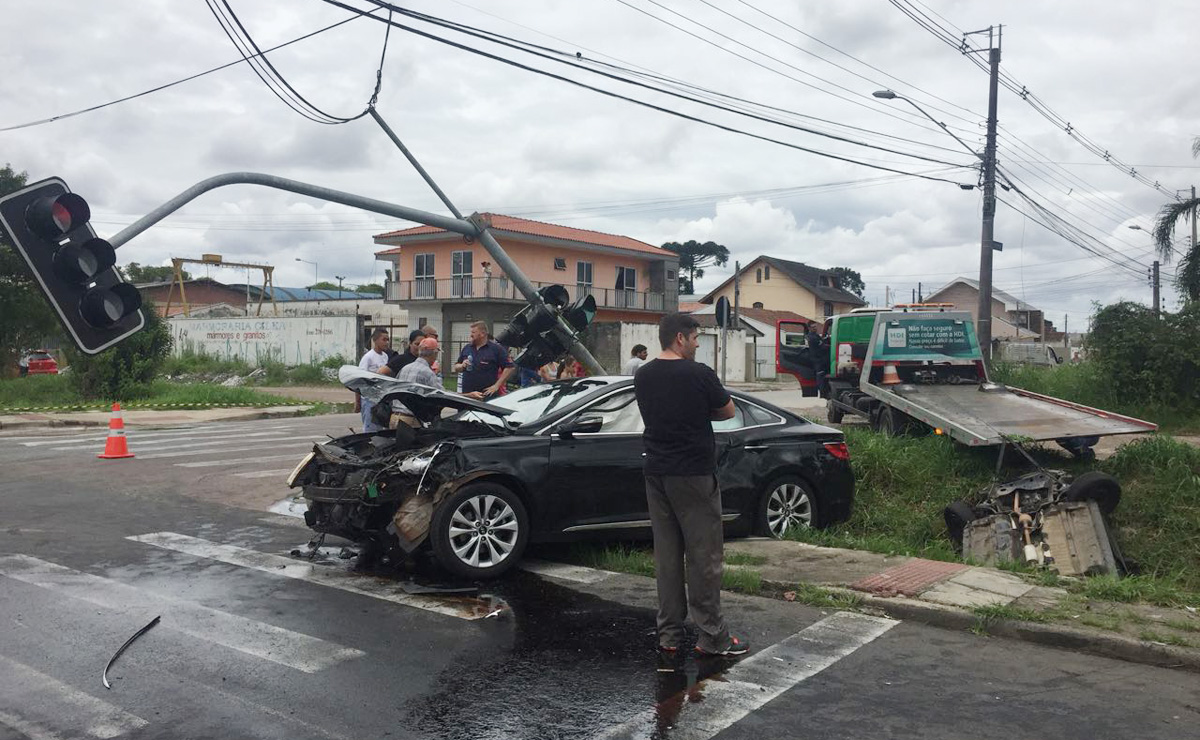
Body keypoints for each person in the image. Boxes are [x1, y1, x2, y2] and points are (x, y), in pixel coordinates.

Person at [634, 313, 748, 657]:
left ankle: (668, 635)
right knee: (703, 556)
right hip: (694, 474)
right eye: (696, 338)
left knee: (667, 556)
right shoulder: (699, 374)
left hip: (656, 470)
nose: (699, 344)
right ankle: (712, 637)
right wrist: (700, 413)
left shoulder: (644, 374)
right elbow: (727, 412)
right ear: (680, 338)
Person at [453, 321, 514, 397]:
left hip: (487, 396)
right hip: (467, 395)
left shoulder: (496, 349)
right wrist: (462, 365)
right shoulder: (467, 348)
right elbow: (456, 367)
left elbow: (510, 367)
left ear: (482, 334)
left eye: (473, 332)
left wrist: (496, 386)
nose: (471, 335)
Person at [356, 328, 390, 432]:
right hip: (369, 398)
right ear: (375, 340)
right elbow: (360, 379)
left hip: (381, 398)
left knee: (381, 427)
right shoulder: (368, 357)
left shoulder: (385, 357)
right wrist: (357, 401)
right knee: (370, 428)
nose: (386, 342)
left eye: (388, 339)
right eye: (384, 339)